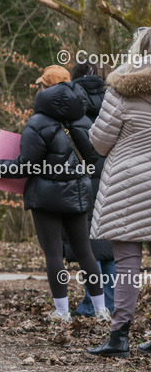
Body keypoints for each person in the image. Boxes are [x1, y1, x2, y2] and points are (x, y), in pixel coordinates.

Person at [0, 65, 109, 324]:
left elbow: (25, 166)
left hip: (46, 198)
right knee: (86, 252)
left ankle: (63, 312)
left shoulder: (36, 123)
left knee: (54, 254)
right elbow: (93, 157)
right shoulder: (84, 119)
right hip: (78, 194)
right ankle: (101, 310)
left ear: (45, 89)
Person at [87, 30, 151, 356]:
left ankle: (120, 337)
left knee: (127, 262)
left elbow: (98, 141)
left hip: (128, 185)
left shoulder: (122, 88)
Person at [65, 62, 114, 317]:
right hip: (115, 176)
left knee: (88, 246)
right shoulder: (114, 99)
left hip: (83, 179)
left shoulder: (70, 106)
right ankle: (110, 303)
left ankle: (91, 304)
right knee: (111, 247)